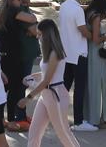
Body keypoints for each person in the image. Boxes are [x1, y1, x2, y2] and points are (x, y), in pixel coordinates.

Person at [19, 19, 79, 147]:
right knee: (34, 133)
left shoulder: (55, 53)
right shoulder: (49, 53)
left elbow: (47, 80)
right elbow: (46, 74)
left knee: (63, 133)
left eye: (40, 34)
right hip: (47, 95)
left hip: (55, 95)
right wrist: (31, 77)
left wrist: (28, 98)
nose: (37, 37)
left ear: (47, 35)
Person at [0, 0, 40, 131]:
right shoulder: (13, 11)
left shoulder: (6, 12)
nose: (20, 1)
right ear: (11, 0)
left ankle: (10, 118)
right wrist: (33, 21)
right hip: (13, 56)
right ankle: (12, 119)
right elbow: (32, 20)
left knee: (9, 88)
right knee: (14, 89)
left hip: (9, 55)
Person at [58, 0, 93, 131]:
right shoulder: (77, 9)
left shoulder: (64, 6)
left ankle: (59, 117)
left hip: (66, 53)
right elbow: (83, 30)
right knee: (79, 89)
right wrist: (95, 36)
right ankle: (78, 121)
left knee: (64, 88)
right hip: (78, 53)